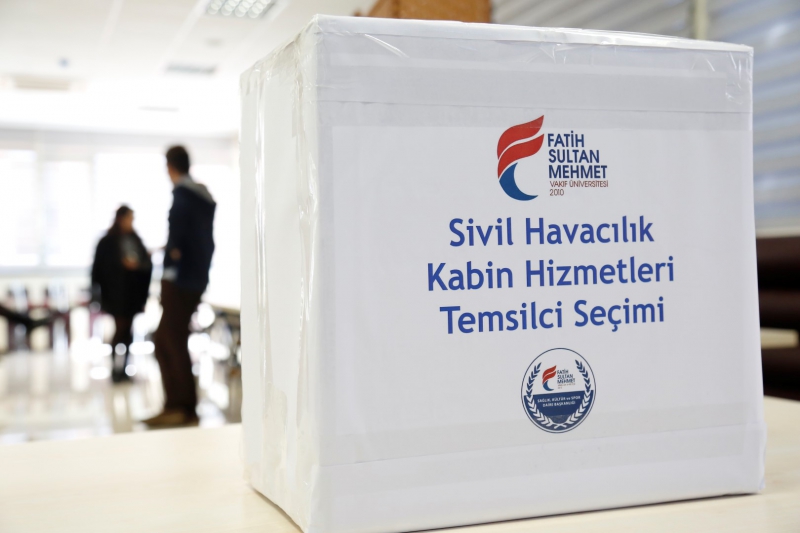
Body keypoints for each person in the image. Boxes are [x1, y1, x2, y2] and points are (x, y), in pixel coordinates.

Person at [144, 146, 215, 427]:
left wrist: (171, 256)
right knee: (170, 339)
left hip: (180, 280)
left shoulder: (183, 196)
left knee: (168, 341)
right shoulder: (202, 197)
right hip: (195, 279)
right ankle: (182, 406)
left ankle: (180, 407)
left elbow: (178, 239)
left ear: (170, 167)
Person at [91, 205, 152, 382]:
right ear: (120, 219)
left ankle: (124, 367)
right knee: (120, 329)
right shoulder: (107, 242)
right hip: (115, 295)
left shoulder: (136, 240)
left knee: (127, 331)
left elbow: (146, 264)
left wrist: (137, 266)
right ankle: (114, 367)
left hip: (133, 295)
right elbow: (98, 270)